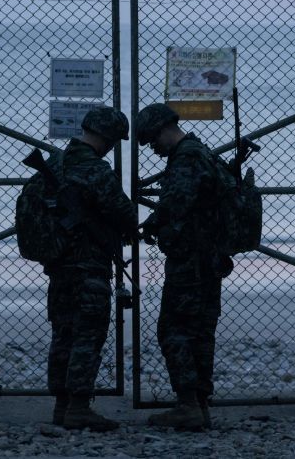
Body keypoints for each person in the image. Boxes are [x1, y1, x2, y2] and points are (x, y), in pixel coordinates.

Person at [135, 103, 231, 430]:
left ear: (163, 128)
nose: (153, 149)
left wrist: (155, 224)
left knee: (173, 329)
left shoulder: (186, 158)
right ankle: (199, 406)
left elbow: (176, 204)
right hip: (209, 257)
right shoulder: (200, 153)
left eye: (151, 140)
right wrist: (156, 221)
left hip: (191, 260)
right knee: (200, 331)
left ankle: (188, 403)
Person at [43, 106, 137, 431]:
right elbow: (125, 214)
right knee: (88, 335)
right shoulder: (95, 170)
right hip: (89, 266)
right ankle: (79, 408)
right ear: (108, 137)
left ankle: (61, 406)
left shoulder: (56, 162)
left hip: (58, 266)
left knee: (63, 333)